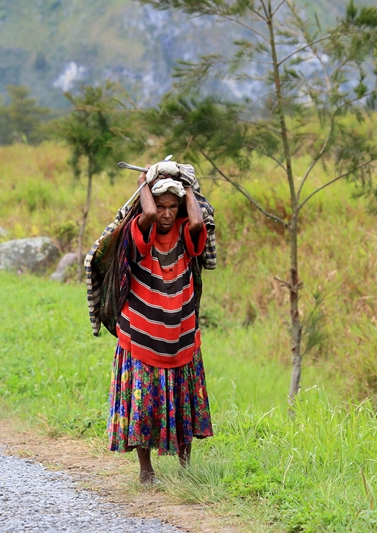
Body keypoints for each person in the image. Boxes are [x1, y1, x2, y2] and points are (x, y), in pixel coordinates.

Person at [107, 161, 213, 484]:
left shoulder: (186, 231)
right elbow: (149, 215)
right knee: (143, 403)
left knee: (184, 403)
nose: (166, 214)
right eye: (161, 206)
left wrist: (187, 186)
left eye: (172, 207)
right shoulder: (141, 229)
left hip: (180, 332)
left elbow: (196, 220)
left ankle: (185, 469)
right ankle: (146, 471)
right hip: (142, 332)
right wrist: (143, 183)